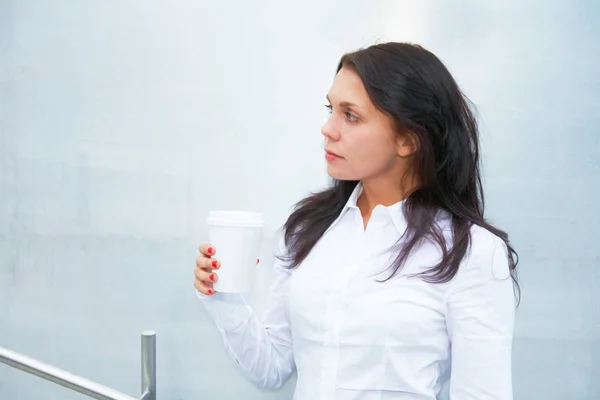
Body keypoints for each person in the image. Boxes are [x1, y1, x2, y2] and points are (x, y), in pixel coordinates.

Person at [194, 42, 519, 400]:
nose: (327, 129)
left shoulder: (471, 253)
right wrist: (221, 292)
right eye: (331, 109)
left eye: (351, 116)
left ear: (408, 139)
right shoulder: (307, 229)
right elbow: (271, 368)